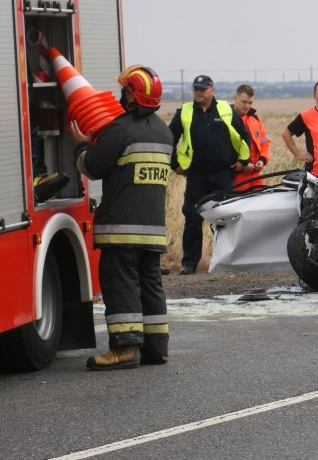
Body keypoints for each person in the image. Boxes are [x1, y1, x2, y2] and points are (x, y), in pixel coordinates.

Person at [69, 65, 172, 371]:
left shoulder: (120, 129)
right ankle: (156, 347)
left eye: (125, 89)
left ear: (131, 94)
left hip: (122, 230)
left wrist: (81, 145)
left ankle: (125, 349)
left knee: (122, 284)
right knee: (150, 285)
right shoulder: (164, 131)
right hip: (153, 230)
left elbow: (94, 167)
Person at [170, 74, 250, 275]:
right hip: (196, 176)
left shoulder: (226, 110)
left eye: (202, 89)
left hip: (223, 175)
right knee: (192, 218)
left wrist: (243, 162)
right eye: (195, 89)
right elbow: (168, 138)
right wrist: (175, 165)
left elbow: (244, 135)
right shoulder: (185, 112)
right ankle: (189, 263)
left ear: (211, 90)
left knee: (228, 219)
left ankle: (229, 260)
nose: (198, 92)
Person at [232, 84, 271, 192]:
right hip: (236, 176)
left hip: (255, 176)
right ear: (235, 98)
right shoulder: (227, 119)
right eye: (244, 102)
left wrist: (262, 160)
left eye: (250, 103)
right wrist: (243, 164)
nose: (247, 106)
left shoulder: (254, 118)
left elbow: (265, 142)